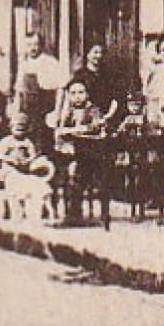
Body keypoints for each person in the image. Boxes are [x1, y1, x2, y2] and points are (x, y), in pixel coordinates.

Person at [50, 78, 111, 228]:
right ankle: (69, 211)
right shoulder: (67, 111)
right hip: (71, 151)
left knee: (80, 172)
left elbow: (94, 128)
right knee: (63, 168)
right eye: (73, 93)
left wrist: (76, 131)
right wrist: (69, 131)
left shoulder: (93, 110)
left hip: (90, 152)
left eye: (81, 92)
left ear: (87, 94)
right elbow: (59, 131)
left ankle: (75, 212)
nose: (77, 96)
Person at [12, 29, 69, 151]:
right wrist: (16, 112)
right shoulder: (24, 64)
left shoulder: (50, 62)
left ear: (41, 45)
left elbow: (61, 89)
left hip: (44, 109)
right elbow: (19, 91)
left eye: (35, 44)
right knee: (27, 143)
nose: (33, 48)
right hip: (27, 110)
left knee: (43, 143)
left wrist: (57, 113)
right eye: (29, 45)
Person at [0, 113, 54, 222]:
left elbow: (32, 154)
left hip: (23, 170)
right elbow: (0, 155)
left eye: (22, 129)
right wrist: (11, 160)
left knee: (24, 191)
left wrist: (27, 161)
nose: (19, 132)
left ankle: (28, 213)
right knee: (11, 192)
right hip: (10, 169)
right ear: (10, 127)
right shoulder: (6, 141)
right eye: (16, 128)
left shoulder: (27, 142)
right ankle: (14, 214)